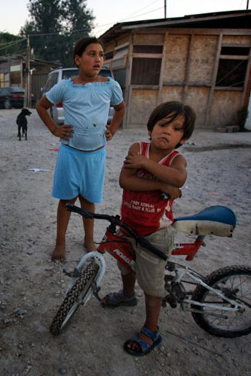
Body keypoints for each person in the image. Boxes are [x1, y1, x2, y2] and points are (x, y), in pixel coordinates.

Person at [102, 101, 196, 356]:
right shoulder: (138, 148)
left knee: (153, 285)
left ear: (183, 138)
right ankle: (127, 295)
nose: (167, 131)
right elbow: (125, 180)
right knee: (125, 264)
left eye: (176, 129)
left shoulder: (177, 158)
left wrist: (144, 165)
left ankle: (151, 330)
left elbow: (178, 179)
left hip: (155, 232)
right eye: (162, 124)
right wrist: (160, 185)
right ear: (151, 127)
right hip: (128, 224)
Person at [36, 37, 126, 261]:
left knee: (88, 200)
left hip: (96, 155)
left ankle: (88, 239)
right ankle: (60, 242)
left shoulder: (110, 86)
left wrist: (112, 128)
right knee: (66, 200)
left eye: (101, 55)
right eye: (91, 54)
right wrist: (54, 130)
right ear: (78, 59)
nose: (97, 59)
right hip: (70, 153)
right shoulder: (65, 87)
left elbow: (121, 108)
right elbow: (41, 106)